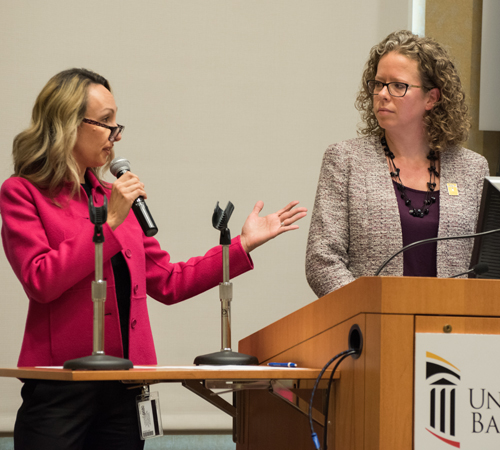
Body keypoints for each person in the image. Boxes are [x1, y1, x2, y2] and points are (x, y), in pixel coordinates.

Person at [0, 68, 307, 450]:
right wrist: (110, 222)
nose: (118, 135)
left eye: (118, 122)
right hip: (61, 389)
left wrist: (241, 246)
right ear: (67, 124)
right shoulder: (23, 193)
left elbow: (169, 280)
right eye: (107, 122)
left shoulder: (116, 199)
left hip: (125, 387)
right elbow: (41, 280)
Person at [306, 30, 489, 298]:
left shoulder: (472, 169)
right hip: (373, 326)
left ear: (431, 98)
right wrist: (371, 311)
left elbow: (487, 264)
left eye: (398, 86)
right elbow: (322, 261)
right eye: (378, 84)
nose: (382, 94)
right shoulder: (345, 160)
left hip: (452, 328)